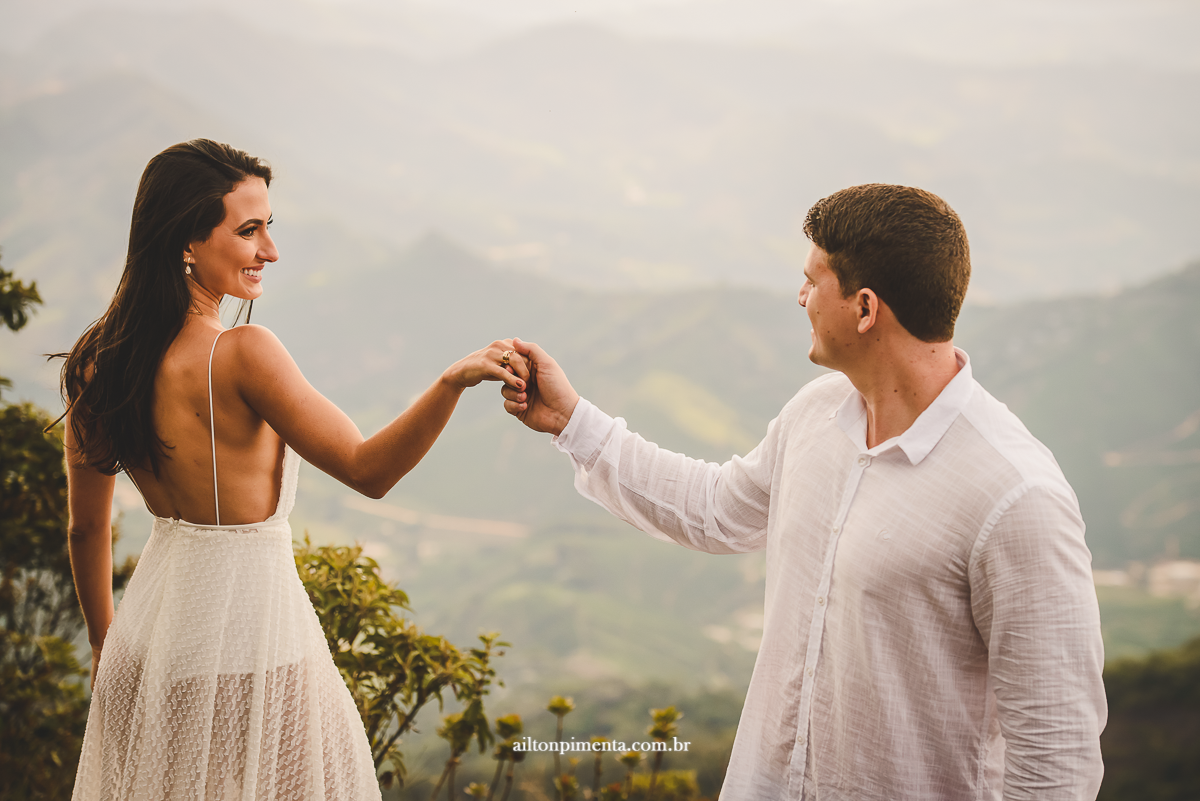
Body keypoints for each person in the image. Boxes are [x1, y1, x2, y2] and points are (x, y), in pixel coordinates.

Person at [501, 184, 1106, 799]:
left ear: (864, 308)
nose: (801, 297)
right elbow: (714, 509)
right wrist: (573, 422)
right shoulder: (816, 414)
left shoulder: (1016, 498)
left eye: (812, 282)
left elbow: (1056, 760)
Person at [60, 139, 529, 800]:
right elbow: (369, 469)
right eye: (249, 231)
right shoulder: (244, 354)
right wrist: (451, 382)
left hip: (147, 644)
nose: (271, 251)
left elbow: (86, 529)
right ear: (188, 240)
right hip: (255, 645)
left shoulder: (94, 362)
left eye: (268, 227)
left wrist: (104, 647)